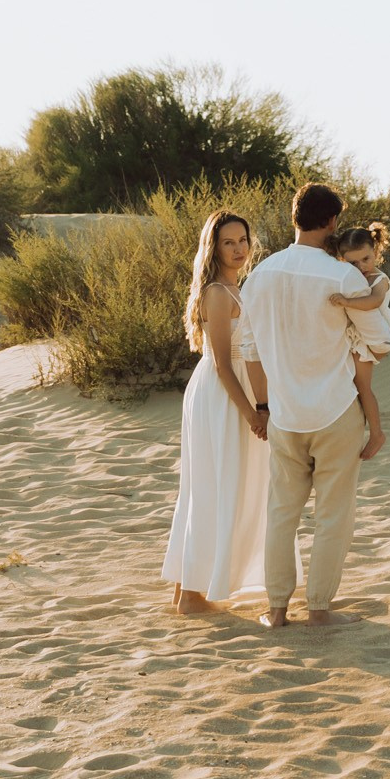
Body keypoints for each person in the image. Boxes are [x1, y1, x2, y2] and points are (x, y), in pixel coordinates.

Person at [238, 183, 378, 628]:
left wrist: (263, 405)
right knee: (333, 515)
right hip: (336, 410)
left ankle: (277, 609)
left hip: (284, 413)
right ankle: (319, 609)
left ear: (294, 217)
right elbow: (378, 339)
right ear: (333, 221)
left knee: (282, 514)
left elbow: (250, 350)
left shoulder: (259, 276)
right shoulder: (342, 276)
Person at [159, 211, 270, 616]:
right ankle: (191, 596)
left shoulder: (238, 287)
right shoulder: (218, 293)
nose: (239, 249)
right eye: (229, 242)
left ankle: (186, 590)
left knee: (215, 486)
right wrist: (253, 413)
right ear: (214, 248)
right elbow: (223, 364)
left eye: (243, 240)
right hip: (223, 394)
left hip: (234, 390)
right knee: (212, 487)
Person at [325, 222, 390, 463]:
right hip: (357, 337)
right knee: (351, 385)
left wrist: (347, 302)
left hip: (370, 340)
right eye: (352, 263)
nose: (361, 267)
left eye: (366, 259)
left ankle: (377, 434)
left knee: (363, 387)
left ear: (376, 251)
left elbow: (373, 302)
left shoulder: (379, 279)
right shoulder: (351, 278)